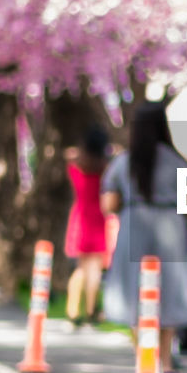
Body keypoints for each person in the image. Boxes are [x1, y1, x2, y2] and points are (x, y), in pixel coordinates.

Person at [101, 103, 187, 373]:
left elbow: (108, 204)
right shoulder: (178, 162)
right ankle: (167, 365)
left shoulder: (123, 162)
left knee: (134, 296)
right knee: (169, 294)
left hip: (134, 228)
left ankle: (145, 364)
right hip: (171, 229)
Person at [64, 125, 110, 326]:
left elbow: (68, 155)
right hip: (99, 221)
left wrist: (77, 152)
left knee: (80, 269)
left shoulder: (76, 169)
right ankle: (92, 310)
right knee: (94, 270)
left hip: (80, 221)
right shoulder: (105, 172)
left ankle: (73, 310)